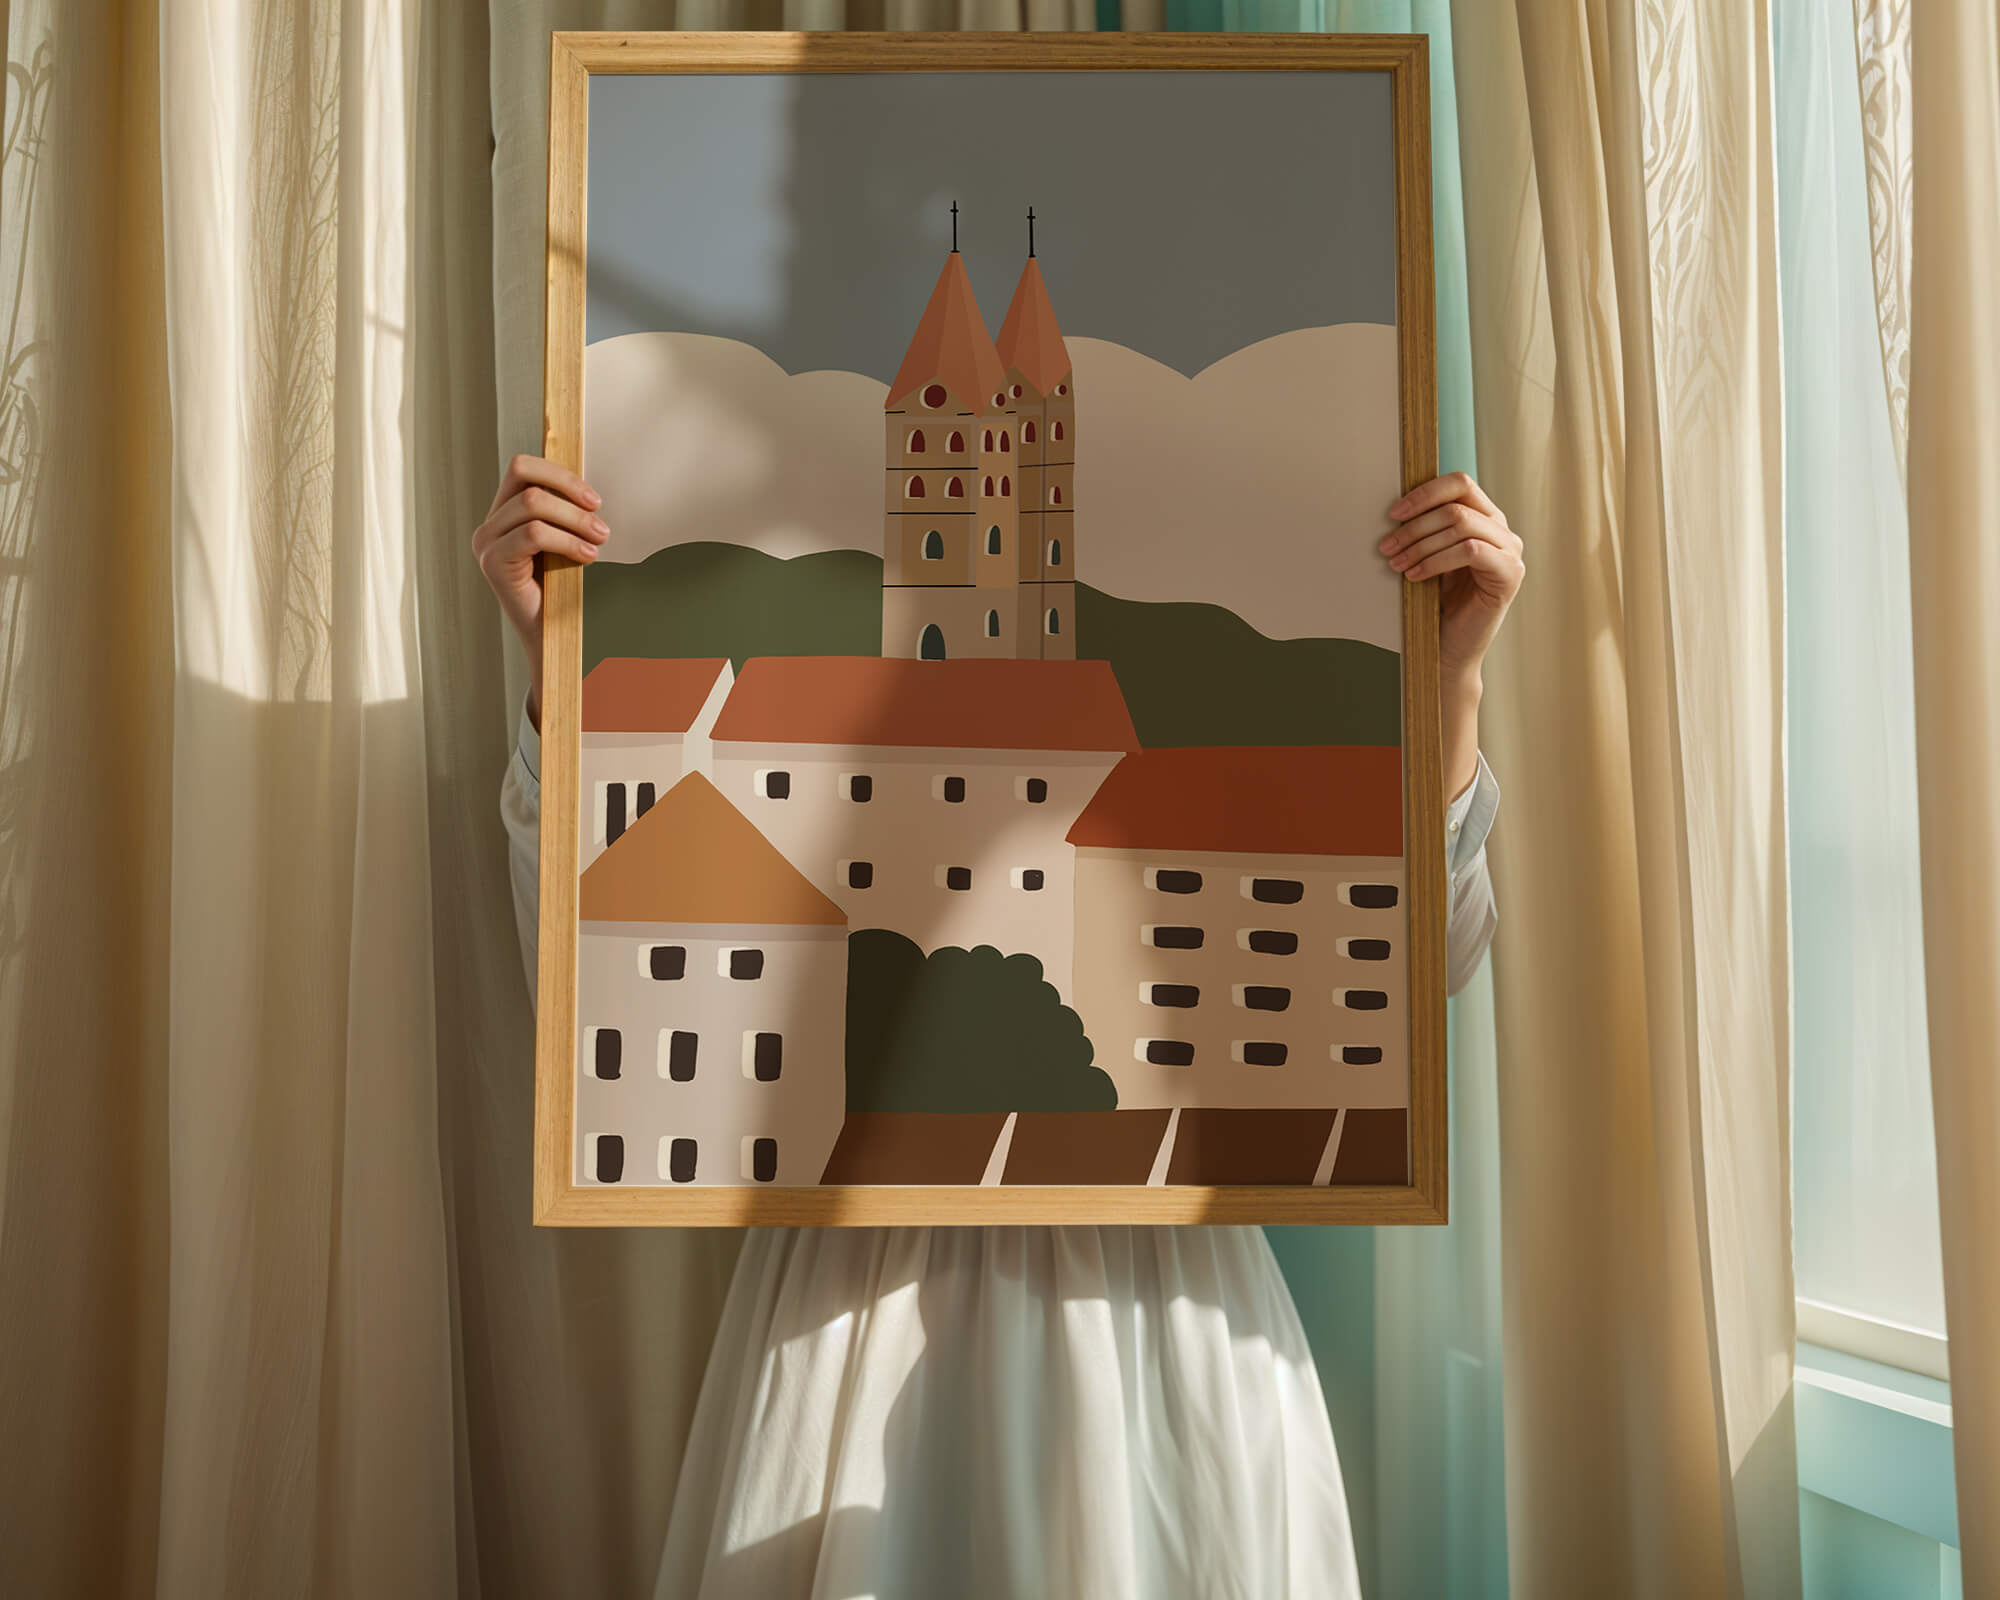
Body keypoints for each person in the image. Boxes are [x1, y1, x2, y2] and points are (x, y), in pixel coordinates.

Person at [477, 457, 1522, 1599]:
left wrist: (1447, 678)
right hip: (855, 1290)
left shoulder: (1154, 727)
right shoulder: (785, 714)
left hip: (1155, 1290)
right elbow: (600, 975)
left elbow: (1422, 968)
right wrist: (565, 659)